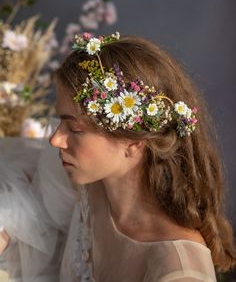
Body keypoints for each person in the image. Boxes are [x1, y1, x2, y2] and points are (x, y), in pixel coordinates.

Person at [49, 32, 236, 281]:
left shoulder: (179, 271)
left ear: (135, 143)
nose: (55, 139)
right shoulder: (91, 186)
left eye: (75, 129)